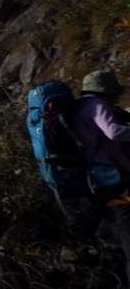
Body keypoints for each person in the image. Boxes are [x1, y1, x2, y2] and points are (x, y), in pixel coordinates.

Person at [72, 69, 130, 284]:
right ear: (106, 93)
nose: (117, 99)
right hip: (111, 181)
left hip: (94, 183)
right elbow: (113, 133)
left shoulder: (80, 107)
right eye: (115, 94)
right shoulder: (96, 105)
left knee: (115, 240)